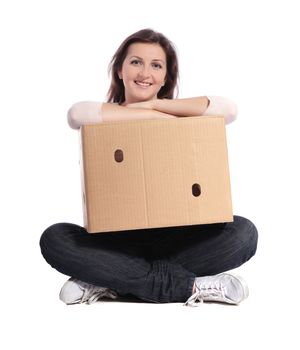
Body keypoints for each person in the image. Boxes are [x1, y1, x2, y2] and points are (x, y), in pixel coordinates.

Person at [39, 28, 258, 307]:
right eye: (136, 62)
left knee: (244, 233)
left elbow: (229, 109)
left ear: (165, 77)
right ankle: (189, 286)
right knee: (55, 238)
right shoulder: (101, 114)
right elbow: (76, 114)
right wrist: (149, 112)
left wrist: (157, 104)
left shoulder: (176, 114)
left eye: (156, 65)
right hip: (116, 240)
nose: (145, 73)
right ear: (120, 69)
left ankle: (109, 278)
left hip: (179, 236)